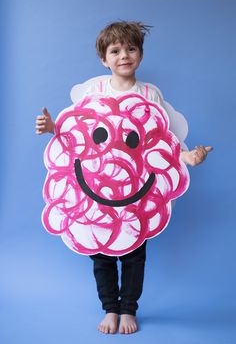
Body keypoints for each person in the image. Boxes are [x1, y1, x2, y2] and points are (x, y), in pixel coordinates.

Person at [35, 21, 213, 335]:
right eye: (115, 51)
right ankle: (110, 307)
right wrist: (52, 127)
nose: (123, 56)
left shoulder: (150, 93)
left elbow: (164, 139)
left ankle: (129, 307)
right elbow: (78, 133)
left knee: (135, 253)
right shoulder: (94, 91)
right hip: (96, 192)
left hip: (136, 193)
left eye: (131, 49)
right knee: (99, 252)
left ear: (140, 55)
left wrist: (188, 157)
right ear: (104, 59)